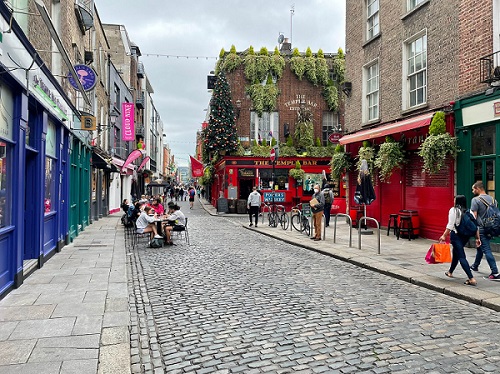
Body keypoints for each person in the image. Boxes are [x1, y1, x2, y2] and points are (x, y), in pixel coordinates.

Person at [439, 195, 477, 286]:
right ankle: (450, 272)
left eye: (455, 200)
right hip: (465, 236)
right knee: (456, 252)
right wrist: (478, 238)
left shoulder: (454, 210)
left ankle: (471, 278)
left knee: (461, 256)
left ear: (457, 201)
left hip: (456, 236)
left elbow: (450, 225)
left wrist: (444, 235)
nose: (453, 201)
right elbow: (476, 226)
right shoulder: (469, 211)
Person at [470, 181, 500, 280]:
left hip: (481, 228)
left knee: (486, 249)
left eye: (473, 189)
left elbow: (473, 216)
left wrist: (473, 229)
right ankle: (475, 265)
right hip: (491, 228)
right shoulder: (493, 200)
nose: (472, 191)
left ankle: (495, 272)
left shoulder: (475, 200)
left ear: (478, 189)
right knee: (481, 247)